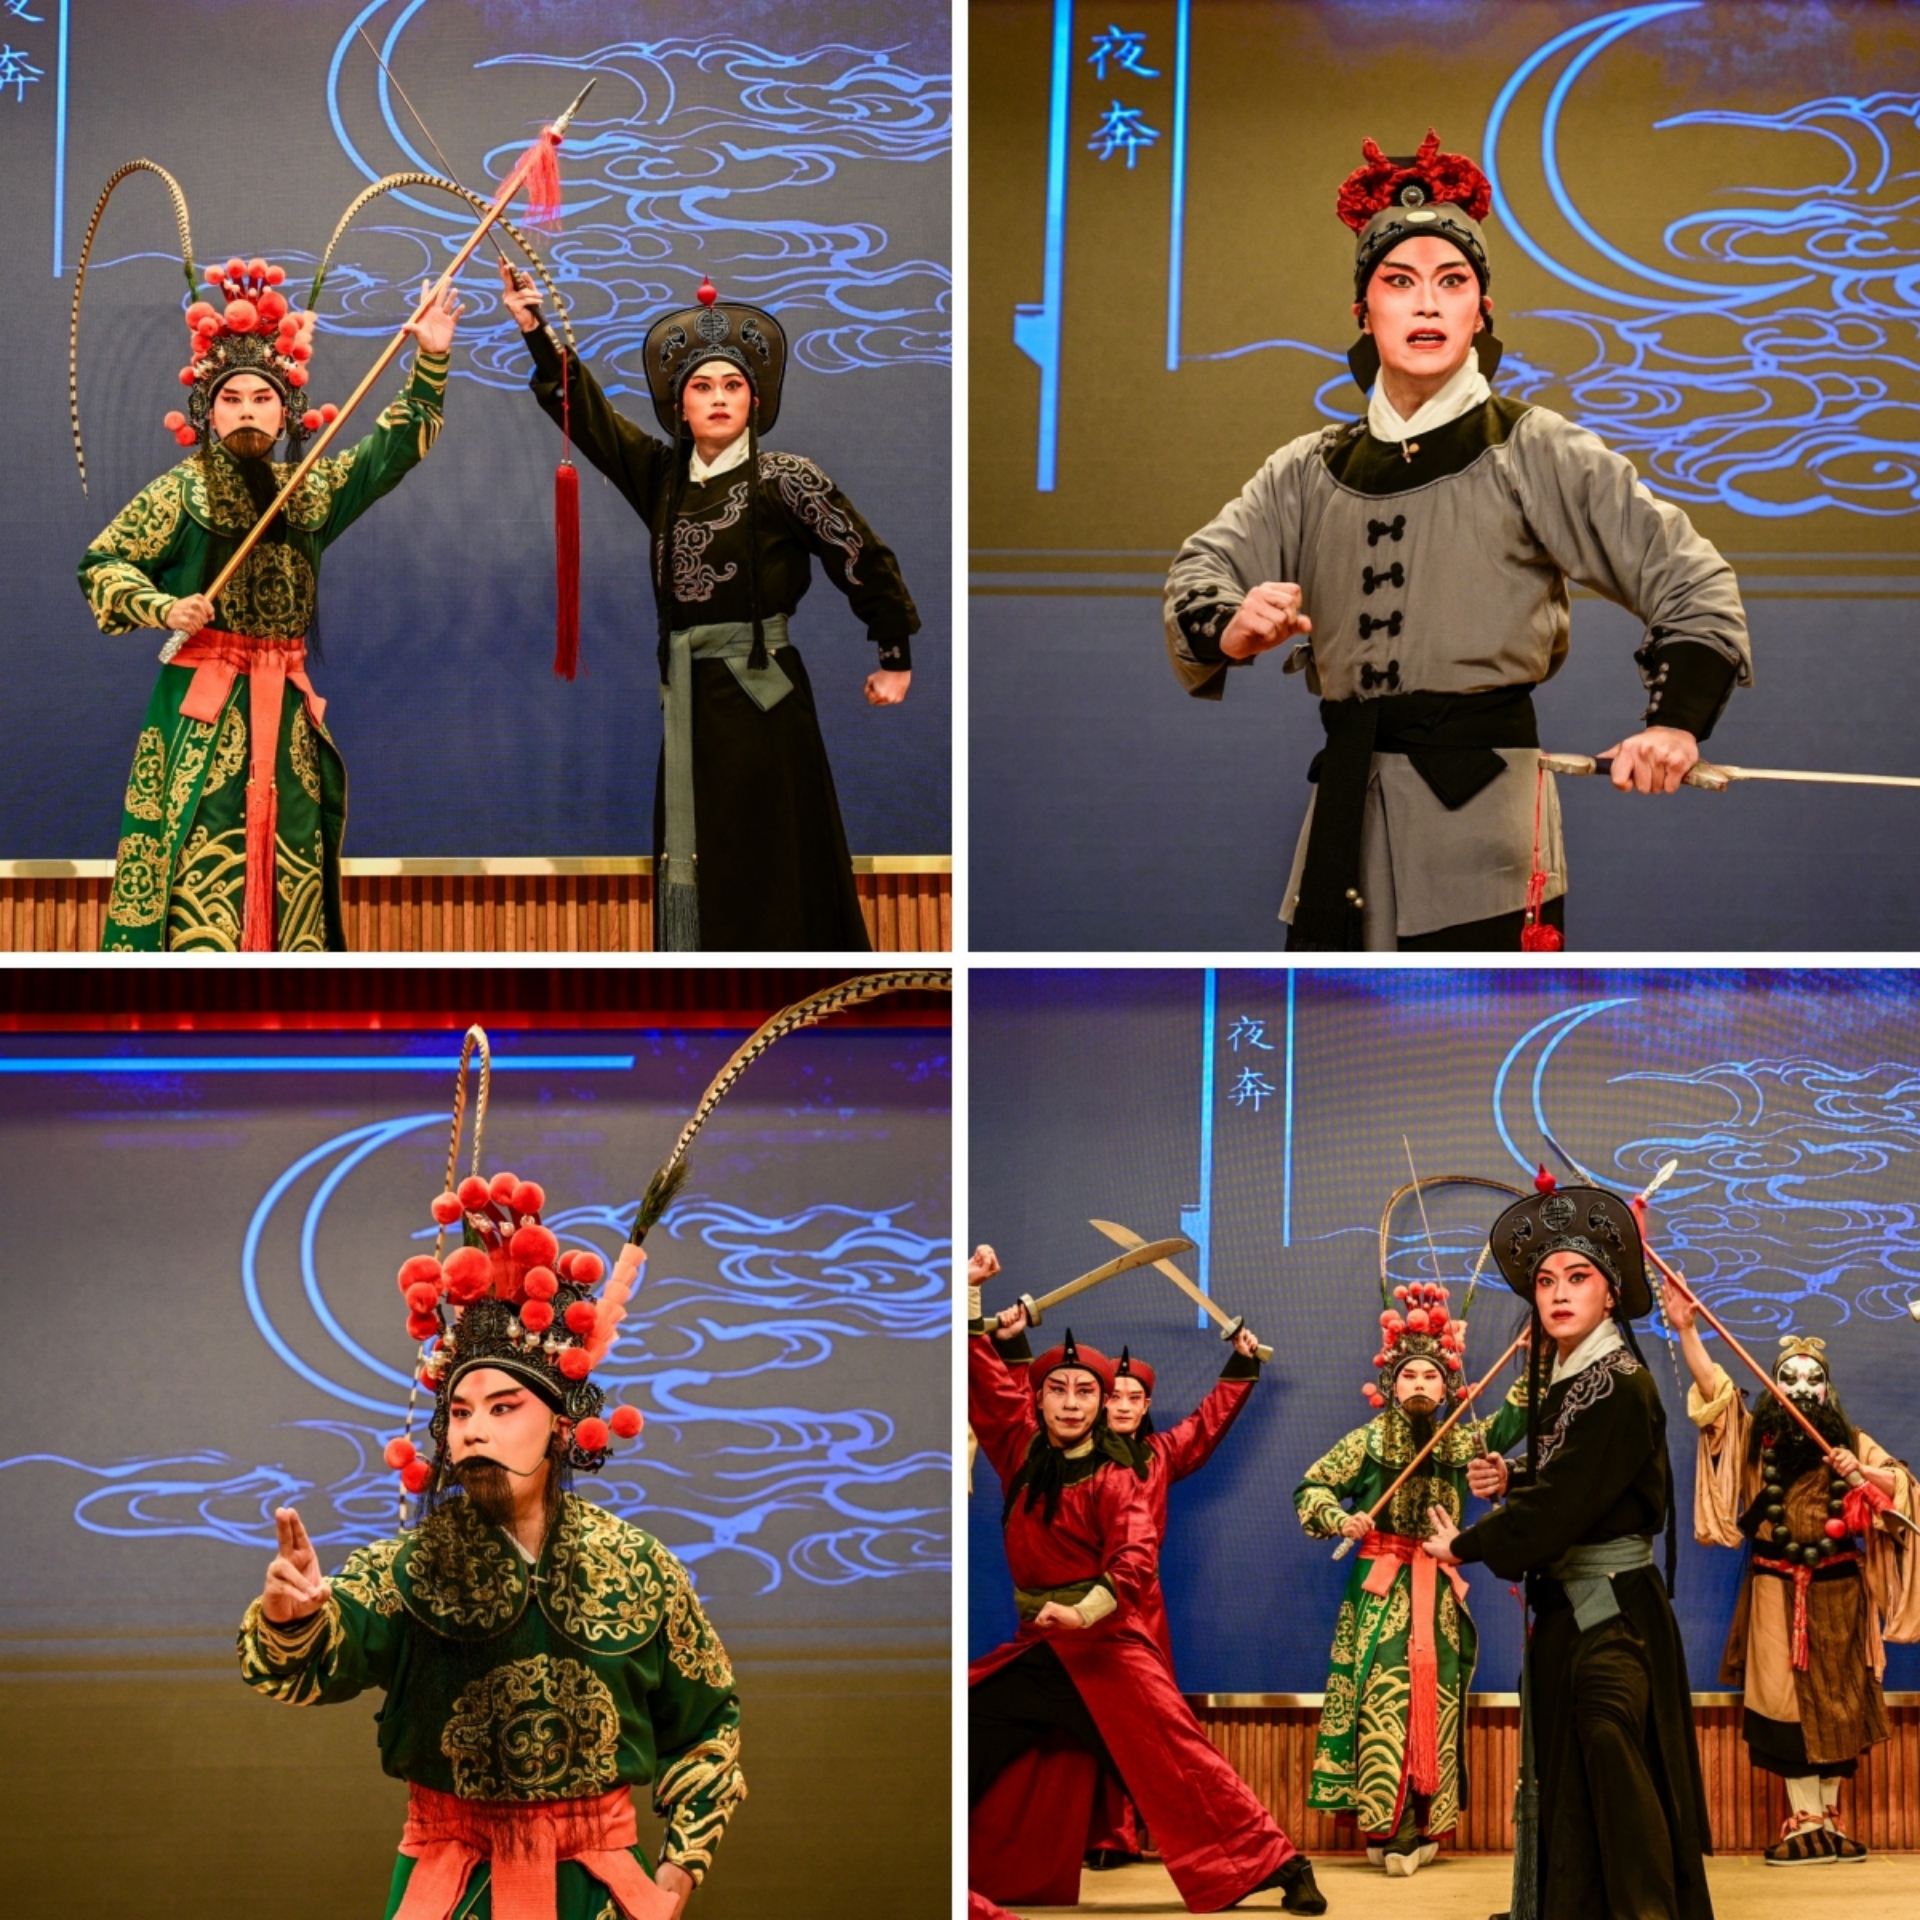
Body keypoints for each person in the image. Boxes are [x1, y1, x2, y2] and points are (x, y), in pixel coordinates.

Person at [1163, 130, 1751, 951]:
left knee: (1465, 1029)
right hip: (1342, 815)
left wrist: (1675, 724)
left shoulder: (1533, 448)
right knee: (1333, 1030)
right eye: (1399, 282)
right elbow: (1201, 569)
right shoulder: (1308, 469)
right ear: (1364, 312)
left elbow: (1692, 583)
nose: (1427, 304)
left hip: (1488, 829)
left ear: (1482, 310)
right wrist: (1231, 625)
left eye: (1452, 281)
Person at [238, 1158, 743, 1918]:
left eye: (504, 1408)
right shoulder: (409, 1568)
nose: (475, 1430)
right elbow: (308, 1668)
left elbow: (708, 1725)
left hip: (599, 1887)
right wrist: (292, 1617)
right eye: (461, 1413)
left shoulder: (640, 1568)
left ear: (562, 1426)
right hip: (454, 1883)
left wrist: (678, 1871)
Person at [500, 262, 920, 951]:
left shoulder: (788, 479)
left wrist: (893, 652)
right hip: (689, 699)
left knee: (776, 853)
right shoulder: (661, 477)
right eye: (702, 387)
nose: (718, 398)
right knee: (700, 853)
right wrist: (534, 330)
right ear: (680, 406)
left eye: (732, 386)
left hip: (764, 693)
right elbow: (594, 419)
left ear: (755, 399)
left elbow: (862, 557)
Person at [79, 259, 459, 950]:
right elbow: (102, 565)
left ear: (286, 411)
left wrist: (430, 361)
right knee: (196, 848)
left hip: (284, 710)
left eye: (262, 397)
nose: (248, 409)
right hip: (200, 713)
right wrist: (162, 607)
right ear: (208, 411)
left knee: (294, 848)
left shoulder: (308, 488)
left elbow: (388, 453)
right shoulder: (180, 492)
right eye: (232, 398)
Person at [966, 1248, 1320, 1914]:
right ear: (1038, 1398)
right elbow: (986, 1384)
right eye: (1057, 1390)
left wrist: (1083, 1612)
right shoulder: (1018, 1449)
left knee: (1179, 1764)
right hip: (1039, 1649)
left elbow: (1134, 1558)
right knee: (967, 1728)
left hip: (1108, 1649)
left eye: (1087, 1393)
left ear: (1104, 1405)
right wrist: (972, 1299)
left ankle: (1281, 1864)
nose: (1072, 1403)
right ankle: (949, 1863)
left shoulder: (1126, 1472)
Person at [1422, 1174, 1712, 1920]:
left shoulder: (1619, 1385)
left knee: (1614, 1769)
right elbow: (1578, 1481)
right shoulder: (1577, 1378)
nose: (1557, 1293)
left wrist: (1465, 1544)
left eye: (1578, 1278)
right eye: (1546, 1280)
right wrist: (1513, 1477)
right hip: (1577, 1618)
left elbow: (1564, 1507)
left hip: (1610, 1621)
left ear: (1611, 1294)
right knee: (1579, 1781)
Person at [986, 1299, 1266, 1871]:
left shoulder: (1155, 1457)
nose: (1119, 1405)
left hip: (1132, 1608)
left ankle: (1144, 1836)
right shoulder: (1045, 1454)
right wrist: (1011, 1343)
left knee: (1146, 1727)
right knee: (1058, 1723)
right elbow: (1012, 1405)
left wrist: (1241, 1366)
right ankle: (1082, 1836)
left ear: (1145, 1406)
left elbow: (1206, 1424)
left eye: (1131, 1398)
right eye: (1112, 1396)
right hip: (1056, 1612)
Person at [1664, 1288, 1920, 1863]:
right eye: (1790, 1378)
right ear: (1776, 1388)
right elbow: (1715, 1399)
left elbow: (1902, 1491)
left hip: (1841, 1595)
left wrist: (1862, 1475)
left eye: (1813, 1379)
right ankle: (1804, 1820)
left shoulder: (1851, 1443)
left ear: (1828, 1390)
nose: (1803, 1388)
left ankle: (1829, 1819)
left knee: (1839, 1702)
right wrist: (1686, 1332)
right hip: (1775, 1592)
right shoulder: (1757, 1440)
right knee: (1784, 1705)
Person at [1294, 1279, 1528, 1875]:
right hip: (1379, 1586)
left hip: (1439, 1586)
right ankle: (1390, 1824)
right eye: (1409, 1376)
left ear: (1447, 1387)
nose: (1420, 1384)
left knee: (1438, 1696)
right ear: (1391, 1386)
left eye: (1431, 1376)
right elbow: (1311, 1487)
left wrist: (1536, 1360)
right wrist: (1340, 1519)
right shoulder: (1367, 1442)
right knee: (1384, 1698)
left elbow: (1514, 1419)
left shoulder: (1460, 1438)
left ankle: (1426, 1823)